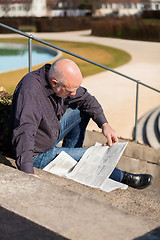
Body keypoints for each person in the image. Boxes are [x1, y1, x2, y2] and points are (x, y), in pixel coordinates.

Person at [11, 58, 152, 189]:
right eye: (70, 90)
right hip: (37, 152)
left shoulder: (60, 83)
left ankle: (72, 159)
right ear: (54, 83)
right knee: (94, 156)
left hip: (50, 131)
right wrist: (27, 170)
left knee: (82, 111)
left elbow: (87, 99)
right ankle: (123, 177)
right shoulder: (30, 91)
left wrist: (105, 125)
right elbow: (25, 131)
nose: (74, 94)